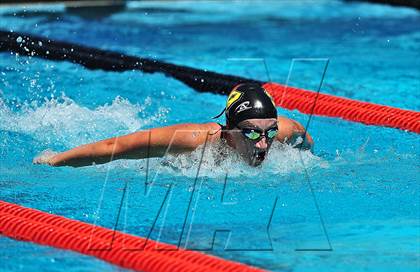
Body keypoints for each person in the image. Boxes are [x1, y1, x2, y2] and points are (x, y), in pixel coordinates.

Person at [34, 83, 313, 168]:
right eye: (252, 132)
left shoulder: (282, 132)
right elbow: (116, 147)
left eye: (269, 131)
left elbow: (305, 140)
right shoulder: (194, 141)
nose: (263, 143)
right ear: (229, 128)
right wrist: (56, 160)